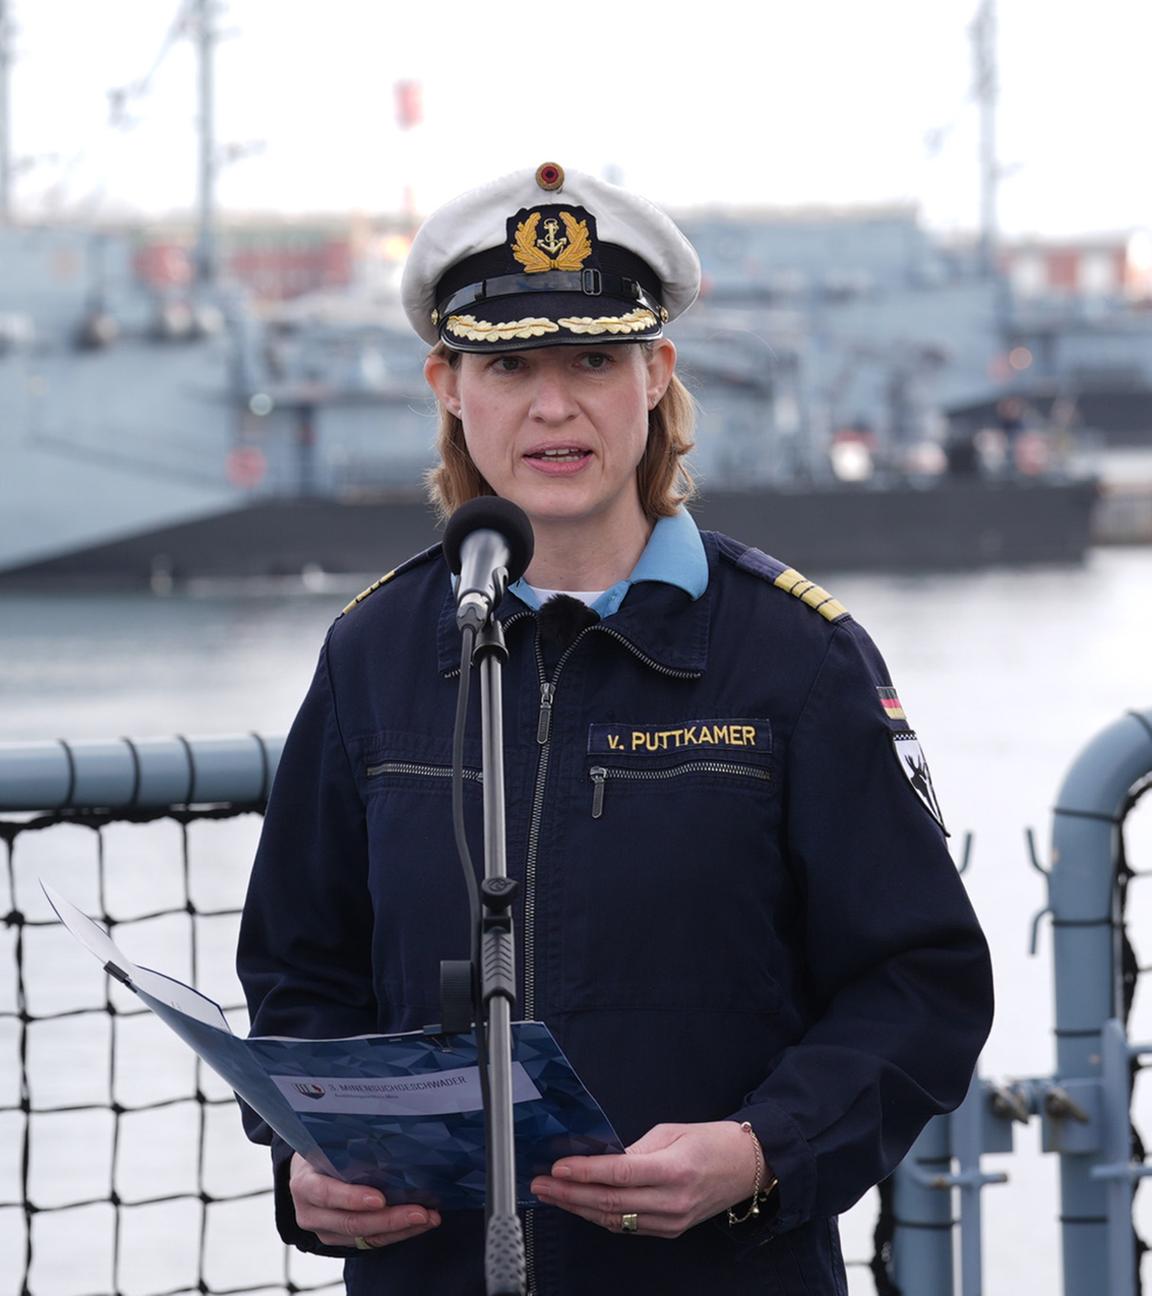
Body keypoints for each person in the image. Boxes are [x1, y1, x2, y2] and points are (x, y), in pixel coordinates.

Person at [237, 163, 994, 1295]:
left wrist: (759, 1152)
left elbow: (922, 982)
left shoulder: (794, 659)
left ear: (657, 375)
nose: (554, 407)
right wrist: (305, 1163)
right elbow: (301, 971)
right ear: (448, 386)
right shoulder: (374, 654)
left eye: (594, 359)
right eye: (508, 366)